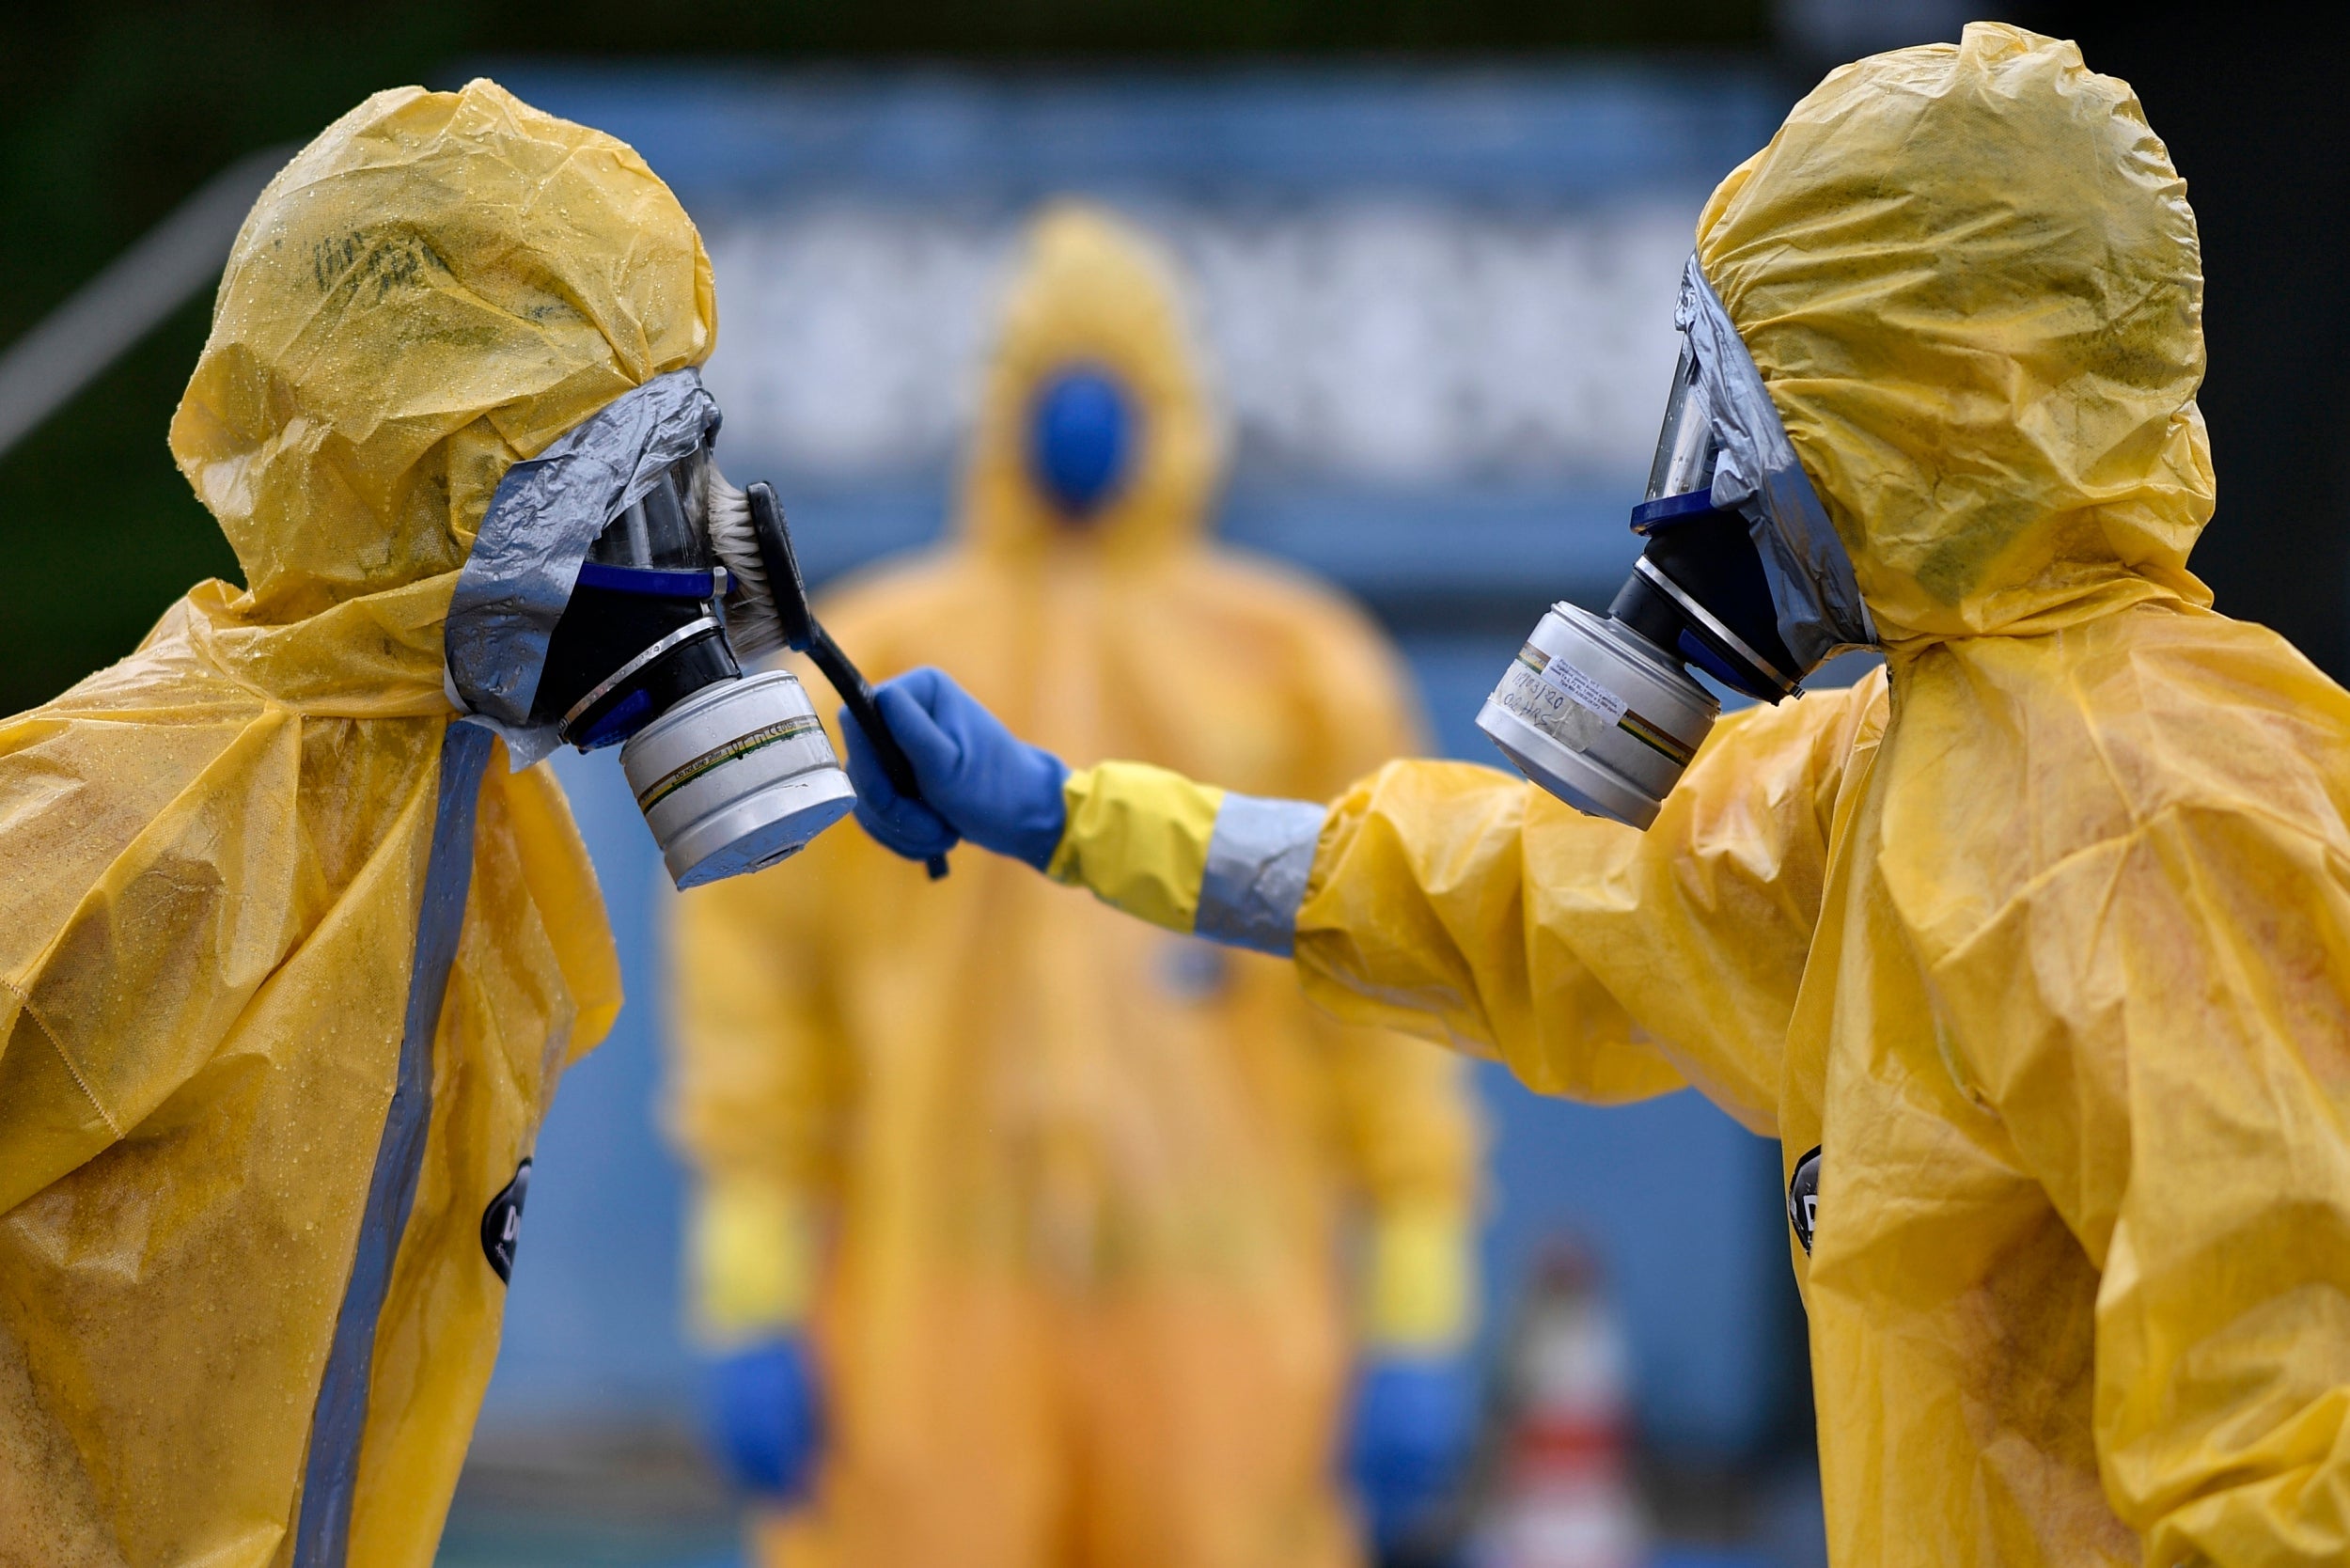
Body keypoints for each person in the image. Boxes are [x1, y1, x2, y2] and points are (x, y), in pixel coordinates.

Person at [839, 26, 2350, 1568]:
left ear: (1923, 416)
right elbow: (1535, 900)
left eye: (1744, 411)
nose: (1695, 492)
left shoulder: (2152, 813)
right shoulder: (1913, 766)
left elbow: (2290, 1449)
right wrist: (1068, 815)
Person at [0, 81, 838, 1566]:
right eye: (619, 488)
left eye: (681, 472)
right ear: (429, 489)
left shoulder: (477, 832)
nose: (688, 547)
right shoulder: (121, 821)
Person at [665, 204, 1485, 1568]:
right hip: (932, 1319)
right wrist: (750, 1286)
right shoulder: (874, 656)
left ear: (1173, 403)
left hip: (1224, 1321)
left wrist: (1418, 1298)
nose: (1083, 412)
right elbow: (760, 996)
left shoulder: (1297, 667)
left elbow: (1391, 978)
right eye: (1053, 371)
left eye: (1117, 374)